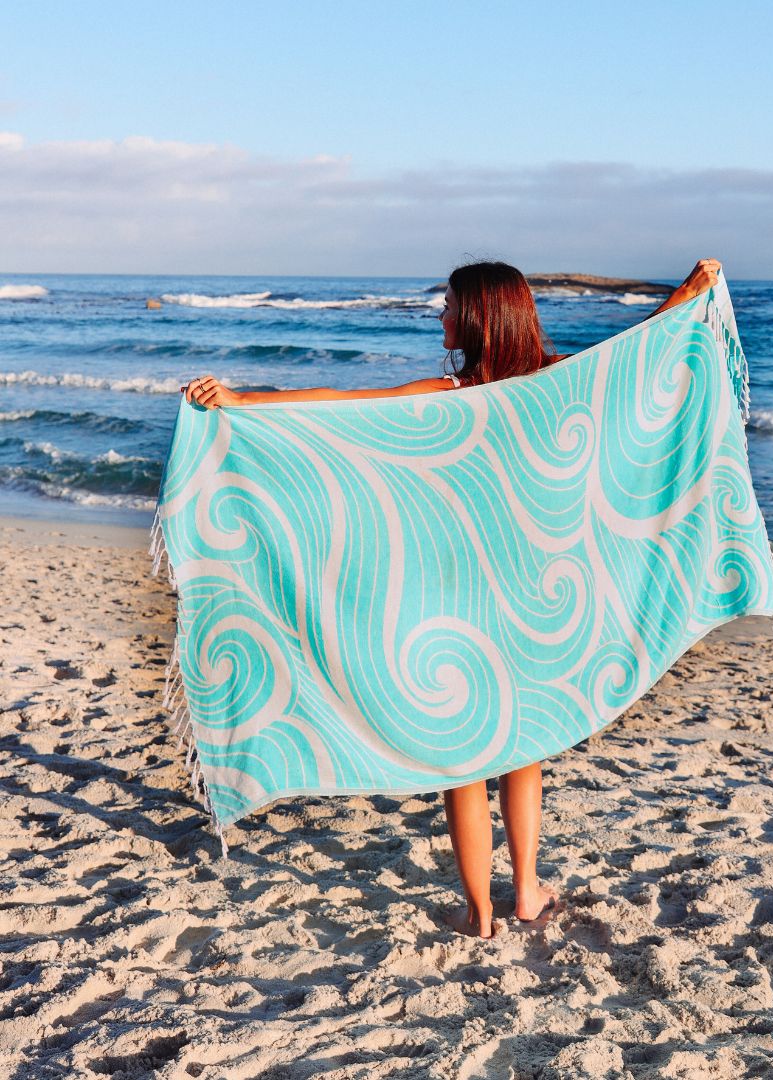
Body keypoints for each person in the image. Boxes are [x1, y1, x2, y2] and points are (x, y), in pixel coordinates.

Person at [181, 256, 721, 937]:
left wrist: (243, 403)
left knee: (468, 763)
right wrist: (689, 295)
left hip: (458, 601)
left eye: (448, 308)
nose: (440, 317)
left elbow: (344, 410)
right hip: (530, 600)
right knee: (526, 749)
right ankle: (526, 892)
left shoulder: (450, 393)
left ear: (477, 317)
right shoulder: (556, 384)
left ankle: (481, 913)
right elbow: (641, 356)